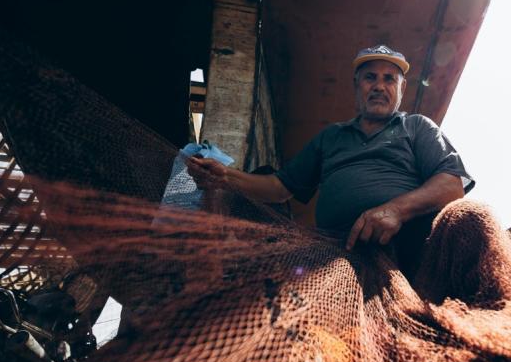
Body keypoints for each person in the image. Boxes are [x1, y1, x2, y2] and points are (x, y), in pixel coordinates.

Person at [186, 44, 474, 280]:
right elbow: (278, 187)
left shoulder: (417, 126)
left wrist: (395, 210)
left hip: (407, 245)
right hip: (334, 248)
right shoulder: (331, 136)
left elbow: (451, 184)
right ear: (356, 86)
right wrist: (225, 176)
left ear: (401, 90)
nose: (379, 86)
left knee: (472, 220)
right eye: (370, 77)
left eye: (390, 79)